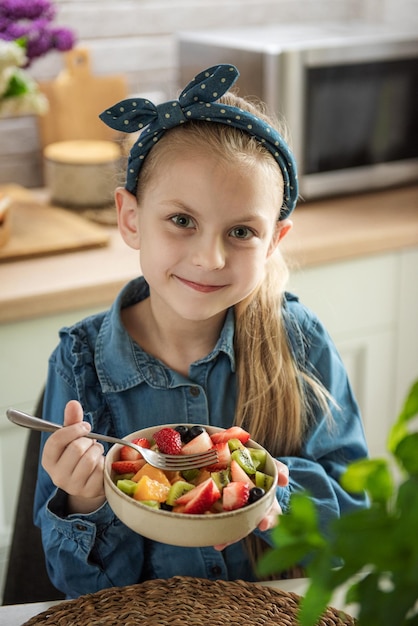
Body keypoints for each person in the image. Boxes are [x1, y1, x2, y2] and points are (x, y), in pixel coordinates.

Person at [34, 64, 368, 599]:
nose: (209, 258)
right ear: (131, 219)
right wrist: (86, 501)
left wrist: (271, 487)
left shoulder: (299, 341)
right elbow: (78, 589)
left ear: (274, 241)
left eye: (241, 231)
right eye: (182, 221)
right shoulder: (79, 361)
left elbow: (355, 523)